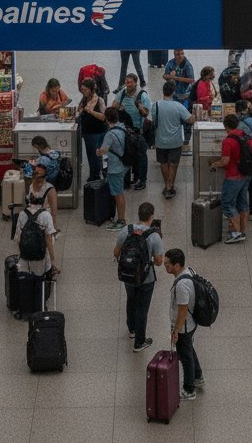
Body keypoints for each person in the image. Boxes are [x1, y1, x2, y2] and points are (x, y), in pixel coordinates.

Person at [113, 201, 164, 353]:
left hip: (128, 275)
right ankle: (139, 342)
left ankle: (132, 329)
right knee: (142, 308)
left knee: (131, 300)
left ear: (139, 215)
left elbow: (116, 252)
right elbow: (159, 262)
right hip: (146, 278)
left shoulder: (126, 230)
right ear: (151, 216)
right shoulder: (154, 236)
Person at [164, 248, 204, 401]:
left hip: (184, 326)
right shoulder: (190, 271)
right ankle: (198, 376)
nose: (165, 267)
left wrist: (176, 331)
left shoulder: (181, 285)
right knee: (189, 351)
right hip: (191, 324)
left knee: (185, 357)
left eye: (168, 264)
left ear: (177, 265)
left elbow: (182, 311)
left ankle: (189, 389)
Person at [211, 113, 250, 244]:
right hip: (246, 174)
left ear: (225, 126)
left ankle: (236, 233)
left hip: (233, 176)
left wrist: (214, 164)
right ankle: (243, 231)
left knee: (227, 204)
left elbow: (225, 161)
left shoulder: (228, 141)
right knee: (243, 204)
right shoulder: (243, 135)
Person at [149, 81, 192, 199]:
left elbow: (153, 120)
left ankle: (167, 184)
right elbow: (189, 119)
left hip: (160, 141)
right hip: (175, 141)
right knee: (173, 164)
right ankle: (170, 186)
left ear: (163, 91)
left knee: (163, 163)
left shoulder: (156, 105)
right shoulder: (178, 106)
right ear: (173, 92)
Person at [15, 186, 59, 279]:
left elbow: (18, 238)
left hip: (25, 255)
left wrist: (23, 254)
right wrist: (53, 261)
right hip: (41, 255)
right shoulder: (46, 215)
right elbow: (49, 241)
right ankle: (48, 271)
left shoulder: (22, 214)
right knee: (52, 238)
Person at [115, 74, 150, 190]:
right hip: (125, 130)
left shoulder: (142, 95)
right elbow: (113, 106)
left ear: (136, 83)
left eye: (130, 82)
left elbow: (146, 114)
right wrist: (118, 108)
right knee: (129, 153)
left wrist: (139, 106)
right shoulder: (122, 93)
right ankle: (132, 177)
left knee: (141, 155)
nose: (128, 85)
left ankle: (142, 179)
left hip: (138, 130)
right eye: (126, 82)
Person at [97, 107, 129, 230]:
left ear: (106, 119)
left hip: (115, 167)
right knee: (119, 192)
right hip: (124, 164)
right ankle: (120, 217)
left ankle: (121, 220)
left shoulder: (110, 134)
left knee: (118, 193)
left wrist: (98, 152)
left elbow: (103, 150)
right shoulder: (122, 126)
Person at [78, 77, 109, 181]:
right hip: (88, 133)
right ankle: (94, 174)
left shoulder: (99, 100)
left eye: (85, 89)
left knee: (96, 155)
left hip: (98, 132)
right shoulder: (84, 100)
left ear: (91, 89)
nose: (83, 91)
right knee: (91, 155)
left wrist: (91, 111)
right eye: (82, 89)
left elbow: (104, 117)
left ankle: (96, 175)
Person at [163, 49, 195, 146]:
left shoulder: (187, 65)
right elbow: (164, 76)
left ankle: (186, 140)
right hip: (174, 96)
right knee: (174, 117)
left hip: (185, 97)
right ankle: (174, 138)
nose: (180, 56)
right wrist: (169, 76)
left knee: (186, 118)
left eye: (181, 54)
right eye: (177, 54)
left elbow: (191, 80)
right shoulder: (170, 63)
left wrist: (177, 78)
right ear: (174, 54)